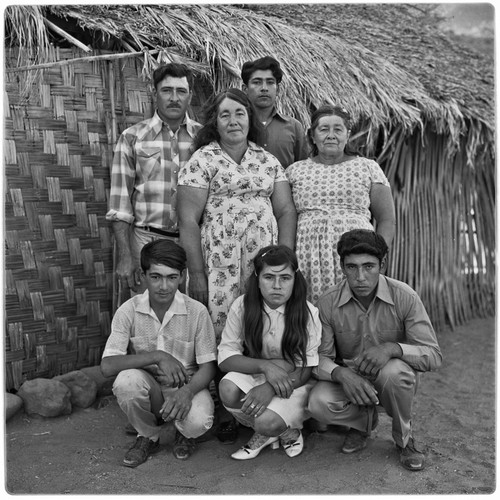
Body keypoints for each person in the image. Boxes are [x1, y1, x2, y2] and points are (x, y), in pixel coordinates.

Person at [307, 229, 442, 471]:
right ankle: (362, 424)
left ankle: (405, 439)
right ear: (342, 266)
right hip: (349, 382)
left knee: (394, 372)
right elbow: (319, 359)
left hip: (392, 379)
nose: (360, 277)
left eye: (369, 266)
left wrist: (393, 349)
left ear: (383, 265)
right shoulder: (328, 303)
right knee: (318, 402)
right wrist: (342, 374)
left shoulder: (405, 297)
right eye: (352, 267)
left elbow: (433, 355)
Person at [177, 88, 296, 338]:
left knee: (261, 320)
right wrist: (197, 273)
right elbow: (188, 220)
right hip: (218, 260)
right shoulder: (202, 160)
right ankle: (219, 374)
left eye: (240, 113)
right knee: (218, 325)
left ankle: (255, 370)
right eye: (225, 116)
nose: (233, 121)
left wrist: (284, 261)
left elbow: (285, 211)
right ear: (215, 123)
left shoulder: (268, 160)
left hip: (263, 258)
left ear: (249, 118)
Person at [100, 239, 217, 468]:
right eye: (156, 277)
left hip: (189, 387)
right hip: (152, 390)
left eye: (171, 277)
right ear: (143, 276)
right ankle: (148, 435)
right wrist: (158, 356)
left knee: (198, 422)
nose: (164, 286)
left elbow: (209, 367)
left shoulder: (197, 312)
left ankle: (184, 432)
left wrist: (186, 391)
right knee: (127, 382)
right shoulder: (128, 310)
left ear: (182, 276)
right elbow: (107, 366)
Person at [106, 63, 201, 297]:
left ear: (190, 96)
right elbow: (120, 206)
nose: (174, 98)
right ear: (154, 93)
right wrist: (127, 256)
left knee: (191, 319)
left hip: (194, 245)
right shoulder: (132, 138)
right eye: (167, 90)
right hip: (146, 242)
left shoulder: (205, 139)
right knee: (146, 320)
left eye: (181, 91)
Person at [218, 245, 321, 460]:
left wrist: (269, 387)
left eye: (285, 278)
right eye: (268, 277)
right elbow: (226, 358)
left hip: (295, 382)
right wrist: (265, 366)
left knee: (266, 421)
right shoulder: (242, 306)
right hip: (258, 373)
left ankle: (269, 429)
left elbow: (306, 369)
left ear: (295, 278)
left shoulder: (308, 313)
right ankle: (282, 432)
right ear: (257, 277)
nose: (277, 286)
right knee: (228, 388)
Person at [286, 104, 396, 304]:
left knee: (355, 313)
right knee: (313, 316)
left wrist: (377, 257)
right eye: (324, 129)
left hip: (356, 255)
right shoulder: (294, 171)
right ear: (312, 135)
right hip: (308, 257)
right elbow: (287, 216)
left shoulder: (367, 168)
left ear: (348, 134)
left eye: (338, 129)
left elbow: (387, 219)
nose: (331, 135)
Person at [241, 56, 308, 168]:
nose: (264, 88)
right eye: (257, 82)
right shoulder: (235, 126)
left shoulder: (294, 127)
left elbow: (302, 169)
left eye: (270, 82)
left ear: (278, 89)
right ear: (245, 89)